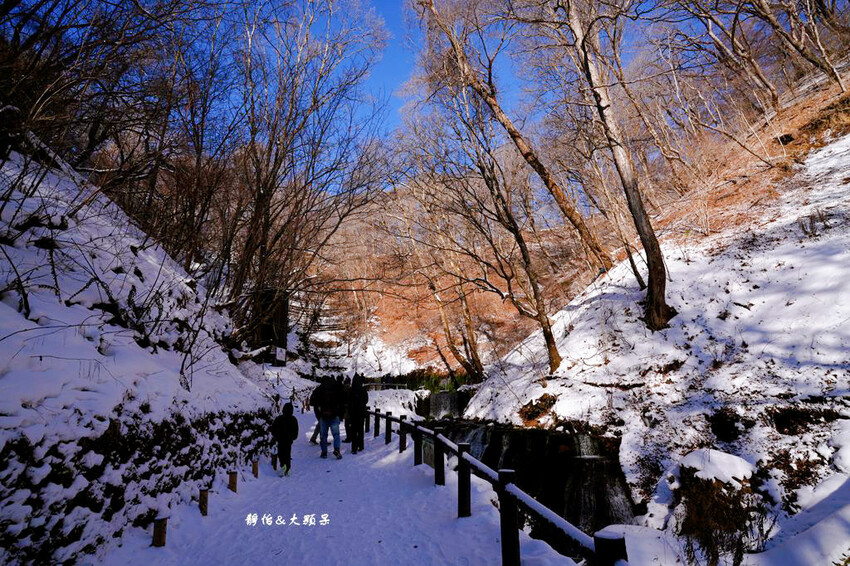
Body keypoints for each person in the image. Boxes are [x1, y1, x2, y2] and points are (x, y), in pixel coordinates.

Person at [309, 376, 344, 459]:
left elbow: (313, 402)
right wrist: (340, 415)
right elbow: (341, 401)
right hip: (334, 415)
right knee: (336, 435)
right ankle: (337, 450)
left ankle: (324, 452)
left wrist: (319, 415)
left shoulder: (319, 389)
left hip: (323, 416)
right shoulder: (336, 388)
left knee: (323, 435)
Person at [272, 402, 299, 476]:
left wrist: (276, 436)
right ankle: (288, 469)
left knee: (281, 453)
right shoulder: (294, 419)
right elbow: (296, 431)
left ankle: (283, 466)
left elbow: (273, 428)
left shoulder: (279, 418)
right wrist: (293, 437)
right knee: (287, 454)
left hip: (280, 439)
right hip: (289, 440)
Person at [347, 374, 368, 454]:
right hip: (361, 413)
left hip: (353, 413)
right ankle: (361, 446)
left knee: (353, 431)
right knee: (360, 430)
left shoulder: (351, 390)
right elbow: (366, 400)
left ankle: (354, 448)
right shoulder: (363, 390)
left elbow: (348, 401)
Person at [342, 376, 352, 442]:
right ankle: (351, 437)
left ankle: (348, 437)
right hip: (352, 409)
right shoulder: (352, 389)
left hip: (346, 409)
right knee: (351, 424)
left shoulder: (344, 390)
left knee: (347, 424)